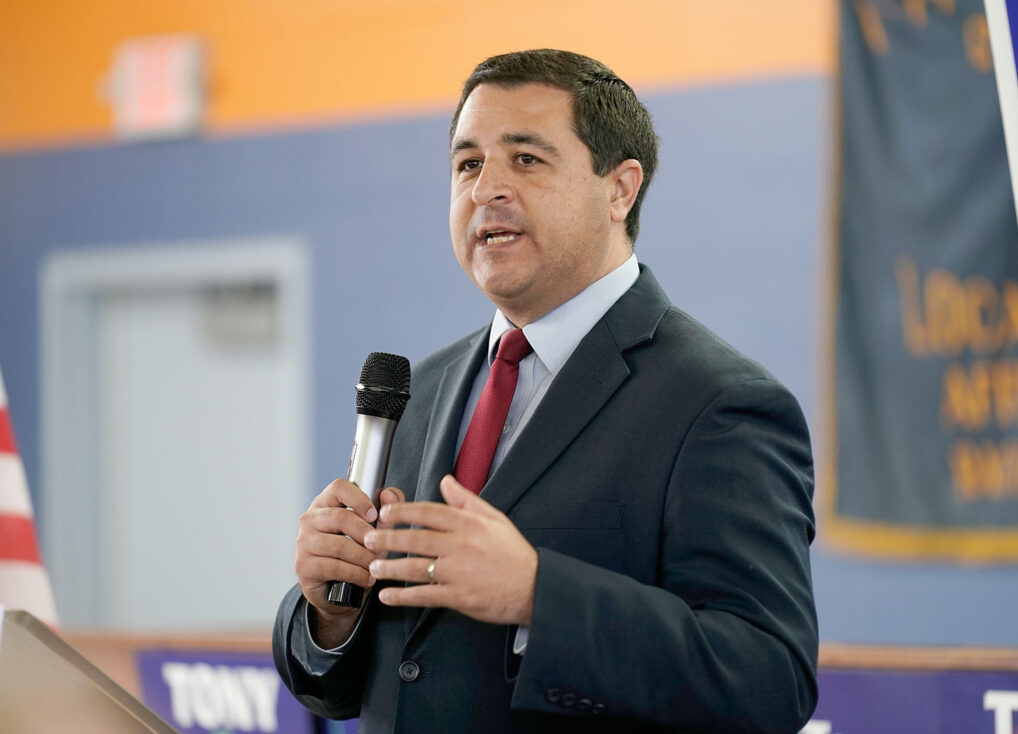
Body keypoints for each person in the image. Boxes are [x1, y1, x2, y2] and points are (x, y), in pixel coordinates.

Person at [273, 49, 818, 734]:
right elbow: (385, 675)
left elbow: (769, 680)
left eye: (525, 159)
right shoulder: (420, 391)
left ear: (620, 190)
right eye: (468, 164)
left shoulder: (721, 406)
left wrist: (538, 595)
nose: (485, 190)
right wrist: (331, 616)